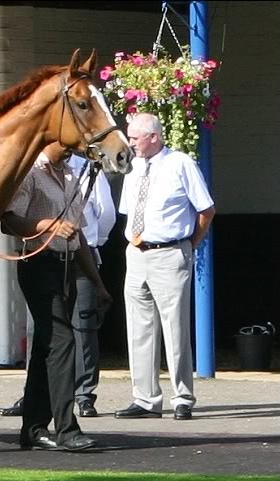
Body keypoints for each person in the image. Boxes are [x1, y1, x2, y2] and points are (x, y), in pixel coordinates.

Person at [0, 141, 112, 451]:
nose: (69, 147)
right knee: (62, 341)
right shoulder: (30, 174)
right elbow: (9, 220)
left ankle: (33, 429)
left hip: (67, 266)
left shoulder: (72, 178)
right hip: (37, 263)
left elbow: (80, 239)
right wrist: (46, 225)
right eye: (63, 142)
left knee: (47, 345)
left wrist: (97, 283)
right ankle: (66, 429)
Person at [115, 113, 215, 421]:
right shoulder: (133, 168)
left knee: (175, 328)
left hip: (170, 252)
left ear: (154, 137)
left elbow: (206, 209)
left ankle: (182, 396)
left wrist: (188, 245)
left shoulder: (180, 163)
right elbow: (128, 211)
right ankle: (145, 399)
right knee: (139, 328)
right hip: (136, 252)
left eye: (135, 137)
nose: (130, 142)